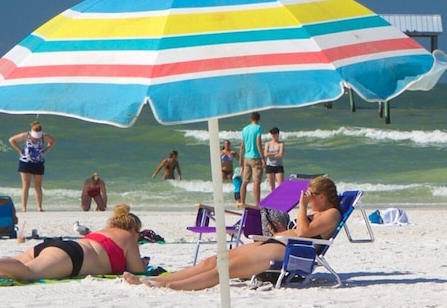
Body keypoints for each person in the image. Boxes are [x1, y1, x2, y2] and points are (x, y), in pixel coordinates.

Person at [125, 176, 344, 290]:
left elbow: (305, 232)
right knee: (214, 259)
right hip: (278, 243)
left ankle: (171, 286)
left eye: (311, 195)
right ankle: (161, 279)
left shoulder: (331, 213)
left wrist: (302, 206)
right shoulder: (319, 211)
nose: (308, 198)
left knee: (225, 269)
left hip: (287, 252)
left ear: (322, 196)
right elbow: (300, 230)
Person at [0, 204, 146, 284]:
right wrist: (143, 263)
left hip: (61, 246)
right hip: (72, 258)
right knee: (27, 273)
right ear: (133, 228)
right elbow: (137, 270)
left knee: (2, 270)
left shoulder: (102, 232)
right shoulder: (129, 236)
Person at [7, 121, 54, 213]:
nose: (36, 138)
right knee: (26, 185)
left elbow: (52, 141)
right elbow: (12, 140)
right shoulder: (26, 135)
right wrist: (19, 150)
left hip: (38, 162)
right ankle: (24, 207)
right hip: (25, 162)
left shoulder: (44, 136)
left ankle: (39, 207)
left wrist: (45, 151)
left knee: (38, 185)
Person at [240, 112, 265, 203]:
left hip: (246, 157)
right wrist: (262, 158)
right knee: (256, 181)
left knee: (245, 181)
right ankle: (257, 203)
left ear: (251, 118)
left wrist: (240, 158)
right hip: (255, 157)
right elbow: (258, 143)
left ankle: (242, 201)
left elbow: (242, 145)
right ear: (258, 119)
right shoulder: (258, 128)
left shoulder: (245, 129)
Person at [264, 127, 286, 192]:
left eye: (274, 133)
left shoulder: (281, 144)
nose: (273, 135)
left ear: (277, 134)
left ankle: (280, 199)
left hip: (278, 166)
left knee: (281, 185)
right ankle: (273, 200)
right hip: (269, 166)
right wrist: (275, 153)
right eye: (272, 133)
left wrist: (270, 154)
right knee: (272, 186)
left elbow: (280, 154)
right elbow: (265, 154)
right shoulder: (267, 144)